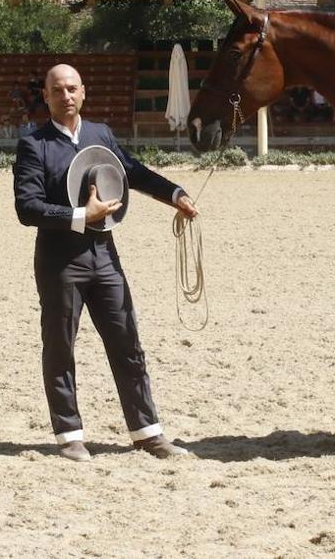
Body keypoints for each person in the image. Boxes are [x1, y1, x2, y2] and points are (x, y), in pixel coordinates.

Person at [13, 63, 198, 462]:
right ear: (45, 96)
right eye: (57, 90)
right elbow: (27, 208)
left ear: (84, 92)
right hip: (60, 261)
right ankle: (69, 434)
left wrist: (175, 194)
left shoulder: (101, 135)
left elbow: (132, 172)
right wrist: (82, 216)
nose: (66, 96)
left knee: (127, 340)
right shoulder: (34, 145)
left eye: (72, 89)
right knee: (60, 347)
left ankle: (147, 432)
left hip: (105, 257)